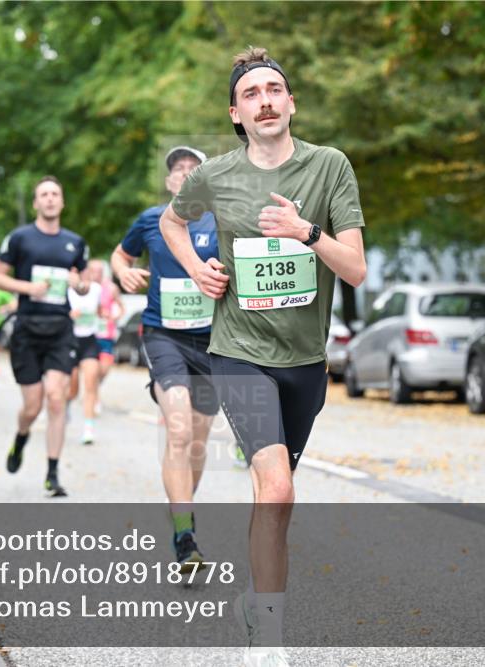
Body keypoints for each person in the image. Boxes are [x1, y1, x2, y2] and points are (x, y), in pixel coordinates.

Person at [159, 47, 367, 665]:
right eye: (252, 94)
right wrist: (199, 270)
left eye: (275, 90)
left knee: (279, 494)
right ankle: (270, 637)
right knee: (274, 490)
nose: (266, 100)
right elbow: (173, 224)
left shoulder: (330, 167)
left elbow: (354, 269)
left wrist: (306, 233)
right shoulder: (215, 175)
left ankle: (258, 597)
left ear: (291, 102)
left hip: (304, 360)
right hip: (238, 351)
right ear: (236, 113)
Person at [112, 145, 220, 571]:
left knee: (197, 439)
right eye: (178, 169)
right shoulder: (151, 220)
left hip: (212, 343)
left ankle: (182, 508)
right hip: (163, 338)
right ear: (170, 181)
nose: (185, 174)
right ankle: (184, 535)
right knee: (177, 429)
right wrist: (122, 271)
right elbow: (121, 254)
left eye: (194, 169)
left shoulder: (222, 220)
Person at [0, 175, 90, 498]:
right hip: (27, 330)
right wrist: (27, 288)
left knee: (57, 398)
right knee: (32, 407)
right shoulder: (19, 239)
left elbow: (84, 283)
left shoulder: (75, 242)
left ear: (62, 202)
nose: (49, 199)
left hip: (60, 328)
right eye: (43, 194)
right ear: (36, 202)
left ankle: (52, 473)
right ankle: (21, 437)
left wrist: (79, 285)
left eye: (54, 194)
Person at [67, 260, 103, 445]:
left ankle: (88, 429)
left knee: (90, 384)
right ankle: (66, 405)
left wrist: (104, 316)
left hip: (89, 340)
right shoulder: (66, 291)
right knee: (73, 389)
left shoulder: (96, 289)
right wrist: (69, 315)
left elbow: (100, 310)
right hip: (71, 341)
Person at [93, 259, 124, 388]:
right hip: (89, 334)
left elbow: (122, 307)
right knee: (91, 370)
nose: (96, 274)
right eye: (93, 271)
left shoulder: (111, 288)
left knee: (104, 369)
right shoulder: (85, 287)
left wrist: (114, 316)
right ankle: (92, 396)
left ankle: (94, 388)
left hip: (106, 334)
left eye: (99, 271)